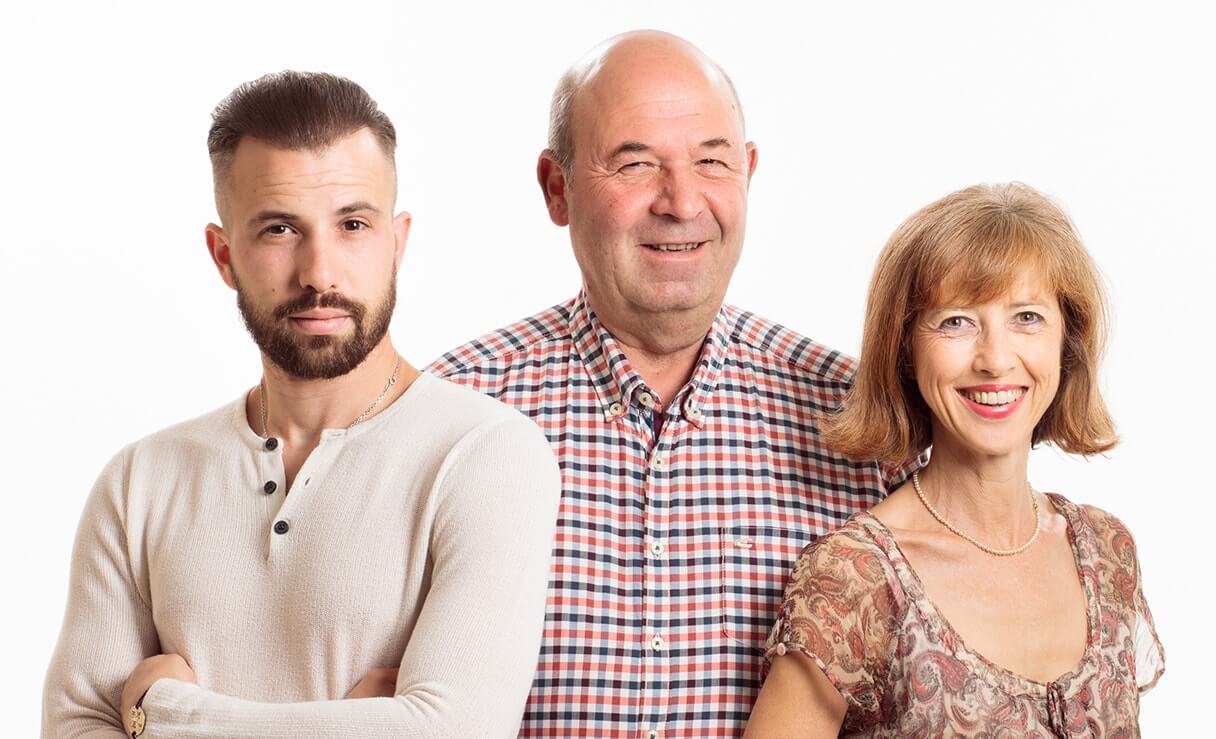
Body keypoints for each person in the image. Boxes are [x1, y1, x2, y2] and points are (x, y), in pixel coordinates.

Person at [42, 71, 561, 738]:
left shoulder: (485, 455)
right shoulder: (138, 481)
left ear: (396, 243)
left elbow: (451, 729)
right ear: (223, 254)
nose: (320, 271)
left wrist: (163, 709)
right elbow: (73, 725)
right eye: (280, 229)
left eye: (352, 223)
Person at [428, 31, 910, 737]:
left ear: (747, 172)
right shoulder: (452, 415)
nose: (681, 201)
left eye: (711, 161)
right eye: (635, 164)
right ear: (556, 187)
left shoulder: (864, 424)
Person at [745, 183, 1165, 737]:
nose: (994, 359)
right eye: (956, 322)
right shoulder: (857, 578)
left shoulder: (1109, 553)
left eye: (1027, 318)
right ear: (905, 353)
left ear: (1067, 343)